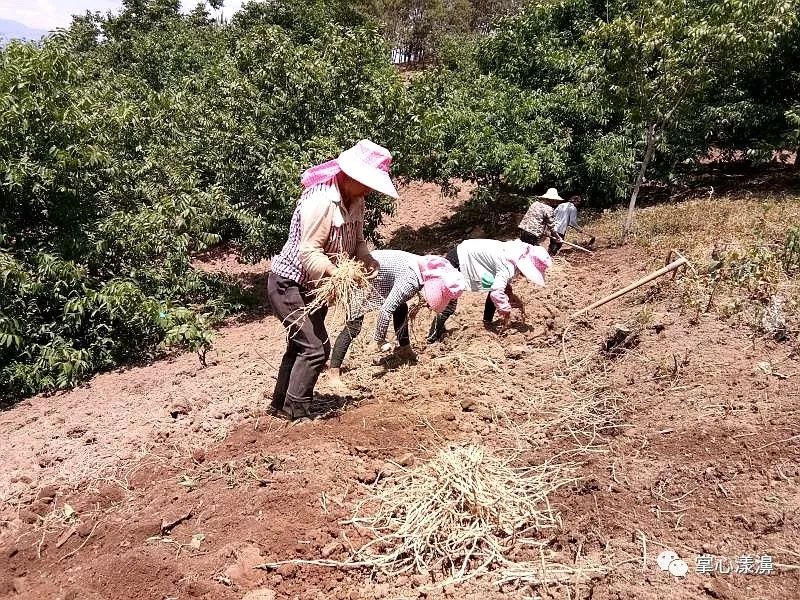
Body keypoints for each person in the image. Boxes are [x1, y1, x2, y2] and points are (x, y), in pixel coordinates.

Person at [267, 140, 399, 422]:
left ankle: (280, 406)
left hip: (316, 290)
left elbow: (357, 241)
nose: (370, 190)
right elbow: (308, 251)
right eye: (366, 183)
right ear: (351, 177)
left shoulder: (357, 201)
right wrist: (336, 273)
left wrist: (368, 260)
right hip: (290, 283)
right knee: (315, 349)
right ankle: (296, 412)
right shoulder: (321, 201)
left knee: (300, 345)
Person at [328, 251, 466, 389]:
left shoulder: (433, 270)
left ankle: (405, 349)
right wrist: (380, 340)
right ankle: (333, 373)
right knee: (354, 326)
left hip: (381, 270)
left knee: (401, 307)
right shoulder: (411, 281)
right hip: (364, 274)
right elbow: (385, 311)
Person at [427, 239, 552, 342]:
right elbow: (496, 292)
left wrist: (511, 295)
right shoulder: (508, 265)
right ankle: (433, 337)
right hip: (460, 260)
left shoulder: (514, 253)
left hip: (466, 252)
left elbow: (500, 286)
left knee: (496, 287)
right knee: (450, 303)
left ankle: (487, 321)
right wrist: (505, 310)